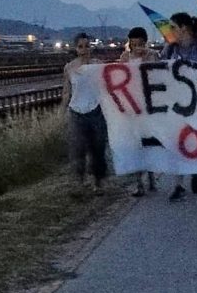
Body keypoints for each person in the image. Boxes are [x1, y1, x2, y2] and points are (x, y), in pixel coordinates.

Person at [160, 13, 197, 201]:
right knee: (177, 142)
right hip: (176, 104)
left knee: (194, 140)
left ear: (183, 28)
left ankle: (195, 170)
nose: (171, 31)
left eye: (173, 27)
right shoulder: (169, 50)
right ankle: (178, 184)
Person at [61, 32, 108, 196]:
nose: (84, 49)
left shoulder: (98, 65)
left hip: (95, 111)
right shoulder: (69, 67)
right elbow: (67, 91)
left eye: (87, 46)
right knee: (78, 149)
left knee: (98, 148)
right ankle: (80, 181)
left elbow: (107, 86)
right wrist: (62, 111)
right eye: (80, 46)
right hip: (76, 112)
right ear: (76, 48)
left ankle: (98, 182)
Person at [119, 27, 159, 197]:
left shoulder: (153, 55)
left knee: (149, 142)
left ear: (145, 42)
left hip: (149, 106)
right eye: (133, 44)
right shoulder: (124, 57)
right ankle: (139, 183)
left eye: (140, 44)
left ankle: (151, 175)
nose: (136, 47)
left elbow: (159, 76)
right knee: (134, 143)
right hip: (132, 106)